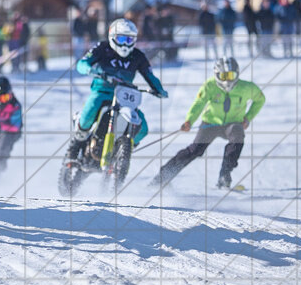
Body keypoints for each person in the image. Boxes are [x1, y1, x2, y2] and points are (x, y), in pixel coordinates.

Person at [151, 57, 265, 189]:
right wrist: (189, 120)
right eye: (223, 76)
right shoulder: (209, 86)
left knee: (237, 137)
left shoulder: (247, 87)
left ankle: (224, 175)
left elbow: (260, 99)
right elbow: (199, 104)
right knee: (195, 150)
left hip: (233, 123)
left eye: (231, 75)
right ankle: (163, 177)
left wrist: (248, 117)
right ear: (216, 75)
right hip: (210, 123)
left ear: (237, 74)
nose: (227, 80)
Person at [65, 19, 168, 164]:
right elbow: (82, 63)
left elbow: (149, 75)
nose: (125, 44)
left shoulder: (138, 56)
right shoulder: (103, 48)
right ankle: (75, 146)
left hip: (124, 96)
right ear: (112, 37)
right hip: (102, 90)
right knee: (91, 108)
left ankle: (122, 151)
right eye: (121, 39)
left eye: (129, 39)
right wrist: (89, 69)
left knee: (142, 127)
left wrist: (159, 90)